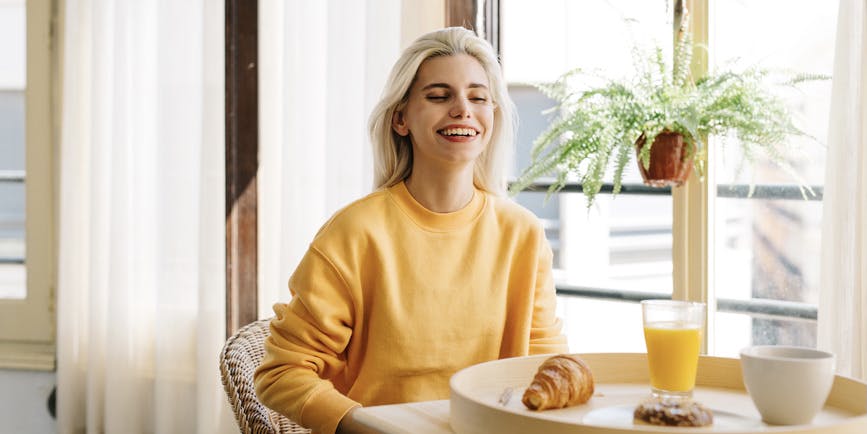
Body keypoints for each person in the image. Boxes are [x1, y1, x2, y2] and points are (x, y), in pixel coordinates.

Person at [253, 26, 568, 434]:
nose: (462, 109)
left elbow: (544, 364)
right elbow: (282, 372)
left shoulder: (522, 234)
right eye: (439, 96)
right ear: (401, 118)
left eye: (478, 97)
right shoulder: (355, 233)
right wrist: (368, 427)